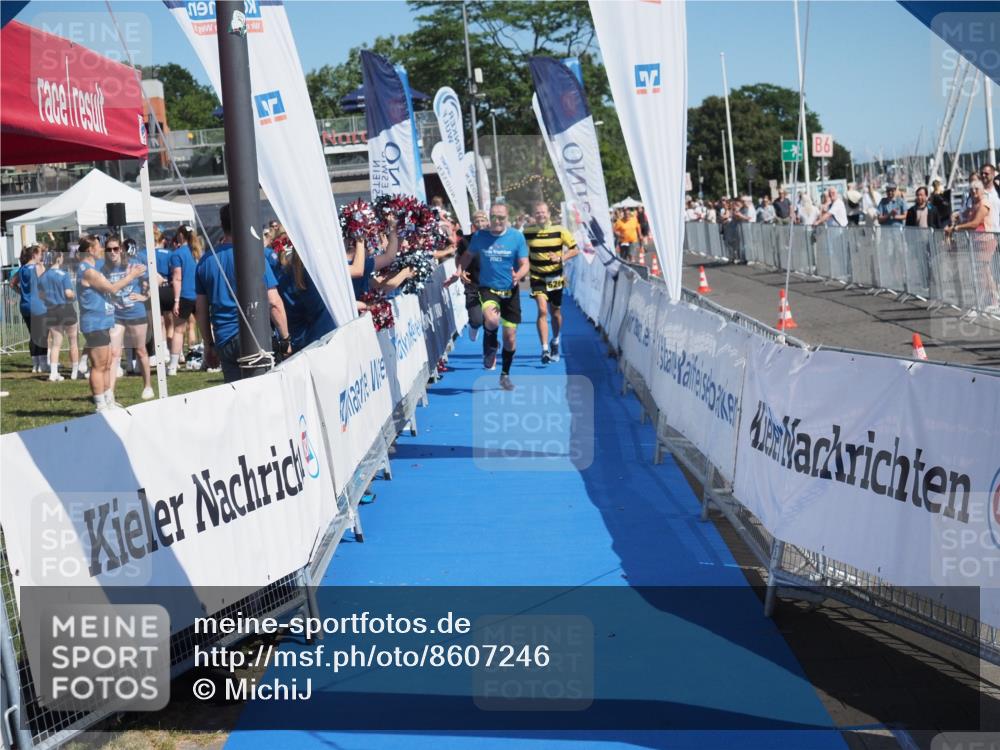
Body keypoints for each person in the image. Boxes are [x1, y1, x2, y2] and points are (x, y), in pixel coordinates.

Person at [195, 204, 291, 383]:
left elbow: (200, 310)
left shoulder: (205, 261)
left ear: (222, 225)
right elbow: (274, 302)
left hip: (224, 342)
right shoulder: (255, 255)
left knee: (238, 401)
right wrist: (286, 338)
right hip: (256, 338)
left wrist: (209, 345)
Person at [448, 201, 529, 391]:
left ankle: (505, 375)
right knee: (491, 319)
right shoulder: (479, 237)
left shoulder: (516, 237)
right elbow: (467, 256)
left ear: (507, 218)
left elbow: (525, 262)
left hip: (511, 291)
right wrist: (459, 270)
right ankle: (490, 348)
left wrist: (519, 274)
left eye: (501, 217)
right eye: (494, 217)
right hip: (488, 289)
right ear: (489, 217)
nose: (497, 221)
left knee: (510, 338)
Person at [76, 235, 145, 411]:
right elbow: (112, 288)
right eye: (99, 247)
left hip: (102, 320)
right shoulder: (88, 271)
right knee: (98, 366)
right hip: (94, 322)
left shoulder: (93, 268)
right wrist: (132, 275)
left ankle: (109, 400)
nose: (102, 250)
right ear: (90, 250)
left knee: (107, 363)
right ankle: (100, 404)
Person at [523, 201, 578, 364]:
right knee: (542, 311)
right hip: (537, 278)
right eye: (537, 212)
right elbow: (517, 249)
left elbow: (575, 249)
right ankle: (545, 349)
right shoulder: (528, 232)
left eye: (543, 212)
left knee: (555, 313)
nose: (541, 215)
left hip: (555, 279)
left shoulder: (560, 231)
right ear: (534, 215)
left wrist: (561, 257)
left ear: (549, 214)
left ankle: (555, 340)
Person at [102, 238, 154, 401]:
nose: (112, 252)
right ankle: (109, 391)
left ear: (122, 250)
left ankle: (147, 386)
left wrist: (145, 296)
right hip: (116, 315)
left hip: (135, 313)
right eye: (109, 249)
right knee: (114, 352)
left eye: (116, 249)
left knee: (140, 350)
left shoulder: (134, 265)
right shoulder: (104, 269)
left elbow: (156, 279)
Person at [946, 179, 997, 312]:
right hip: (975, 241)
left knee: (985, 272)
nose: (973, 192)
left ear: (982, 191)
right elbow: (964, 217)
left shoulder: (984, 203)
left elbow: (974, 223)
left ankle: (993, 300)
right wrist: (955, 216)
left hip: (985, 240)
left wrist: (957, 228)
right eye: (971, 190)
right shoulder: (973, 204)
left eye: (976, 189)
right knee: (980, 272)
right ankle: (986, 300)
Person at [277, 247, 335, 351]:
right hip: (316, 339)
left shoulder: (285, 273)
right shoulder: (310, 274)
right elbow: (318, 308)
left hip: (298, 338)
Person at [39, 251, 80, 381]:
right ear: (58, 259)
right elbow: (68, 293)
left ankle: (53, 373)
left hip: (51, 310)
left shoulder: (42, 277)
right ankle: (74, 372)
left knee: (56, 344)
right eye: (61, 257)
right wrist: (74, 295)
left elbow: (41, 295)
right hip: (65, 309)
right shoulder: (63, 274)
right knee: (73, 341)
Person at [167, 224, 202, 376]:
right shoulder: (198, 252)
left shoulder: (177, 254)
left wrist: (176, 301)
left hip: (185, 296)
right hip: (200, 295)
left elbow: (177, 278)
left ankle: (173, 366)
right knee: (205, 330)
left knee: (178, 331)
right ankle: (209, 361)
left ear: (180, 236)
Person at [12, 244, 48, 372]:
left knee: (33, 335)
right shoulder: (37, 268)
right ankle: (43, 363)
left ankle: (35, 364)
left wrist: (21, 292)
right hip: (38, 305)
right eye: (40, 254)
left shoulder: (21, 269)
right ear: (34, 255)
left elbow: (12, 284)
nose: (41, 257)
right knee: (42, 335)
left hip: (25, 305)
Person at [456, 210, 489, 341]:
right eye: (477, 221)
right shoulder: (465, 241)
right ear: (473, 224)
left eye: (482, 220)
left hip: (490, 284)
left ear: (487, 222)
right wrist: (461, 272)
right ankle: (474, 326)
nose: (480, 223)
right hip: (472, 283)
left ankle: (490, 344)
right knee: (477, 319)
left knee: (491, 319)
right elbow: (458, 258)